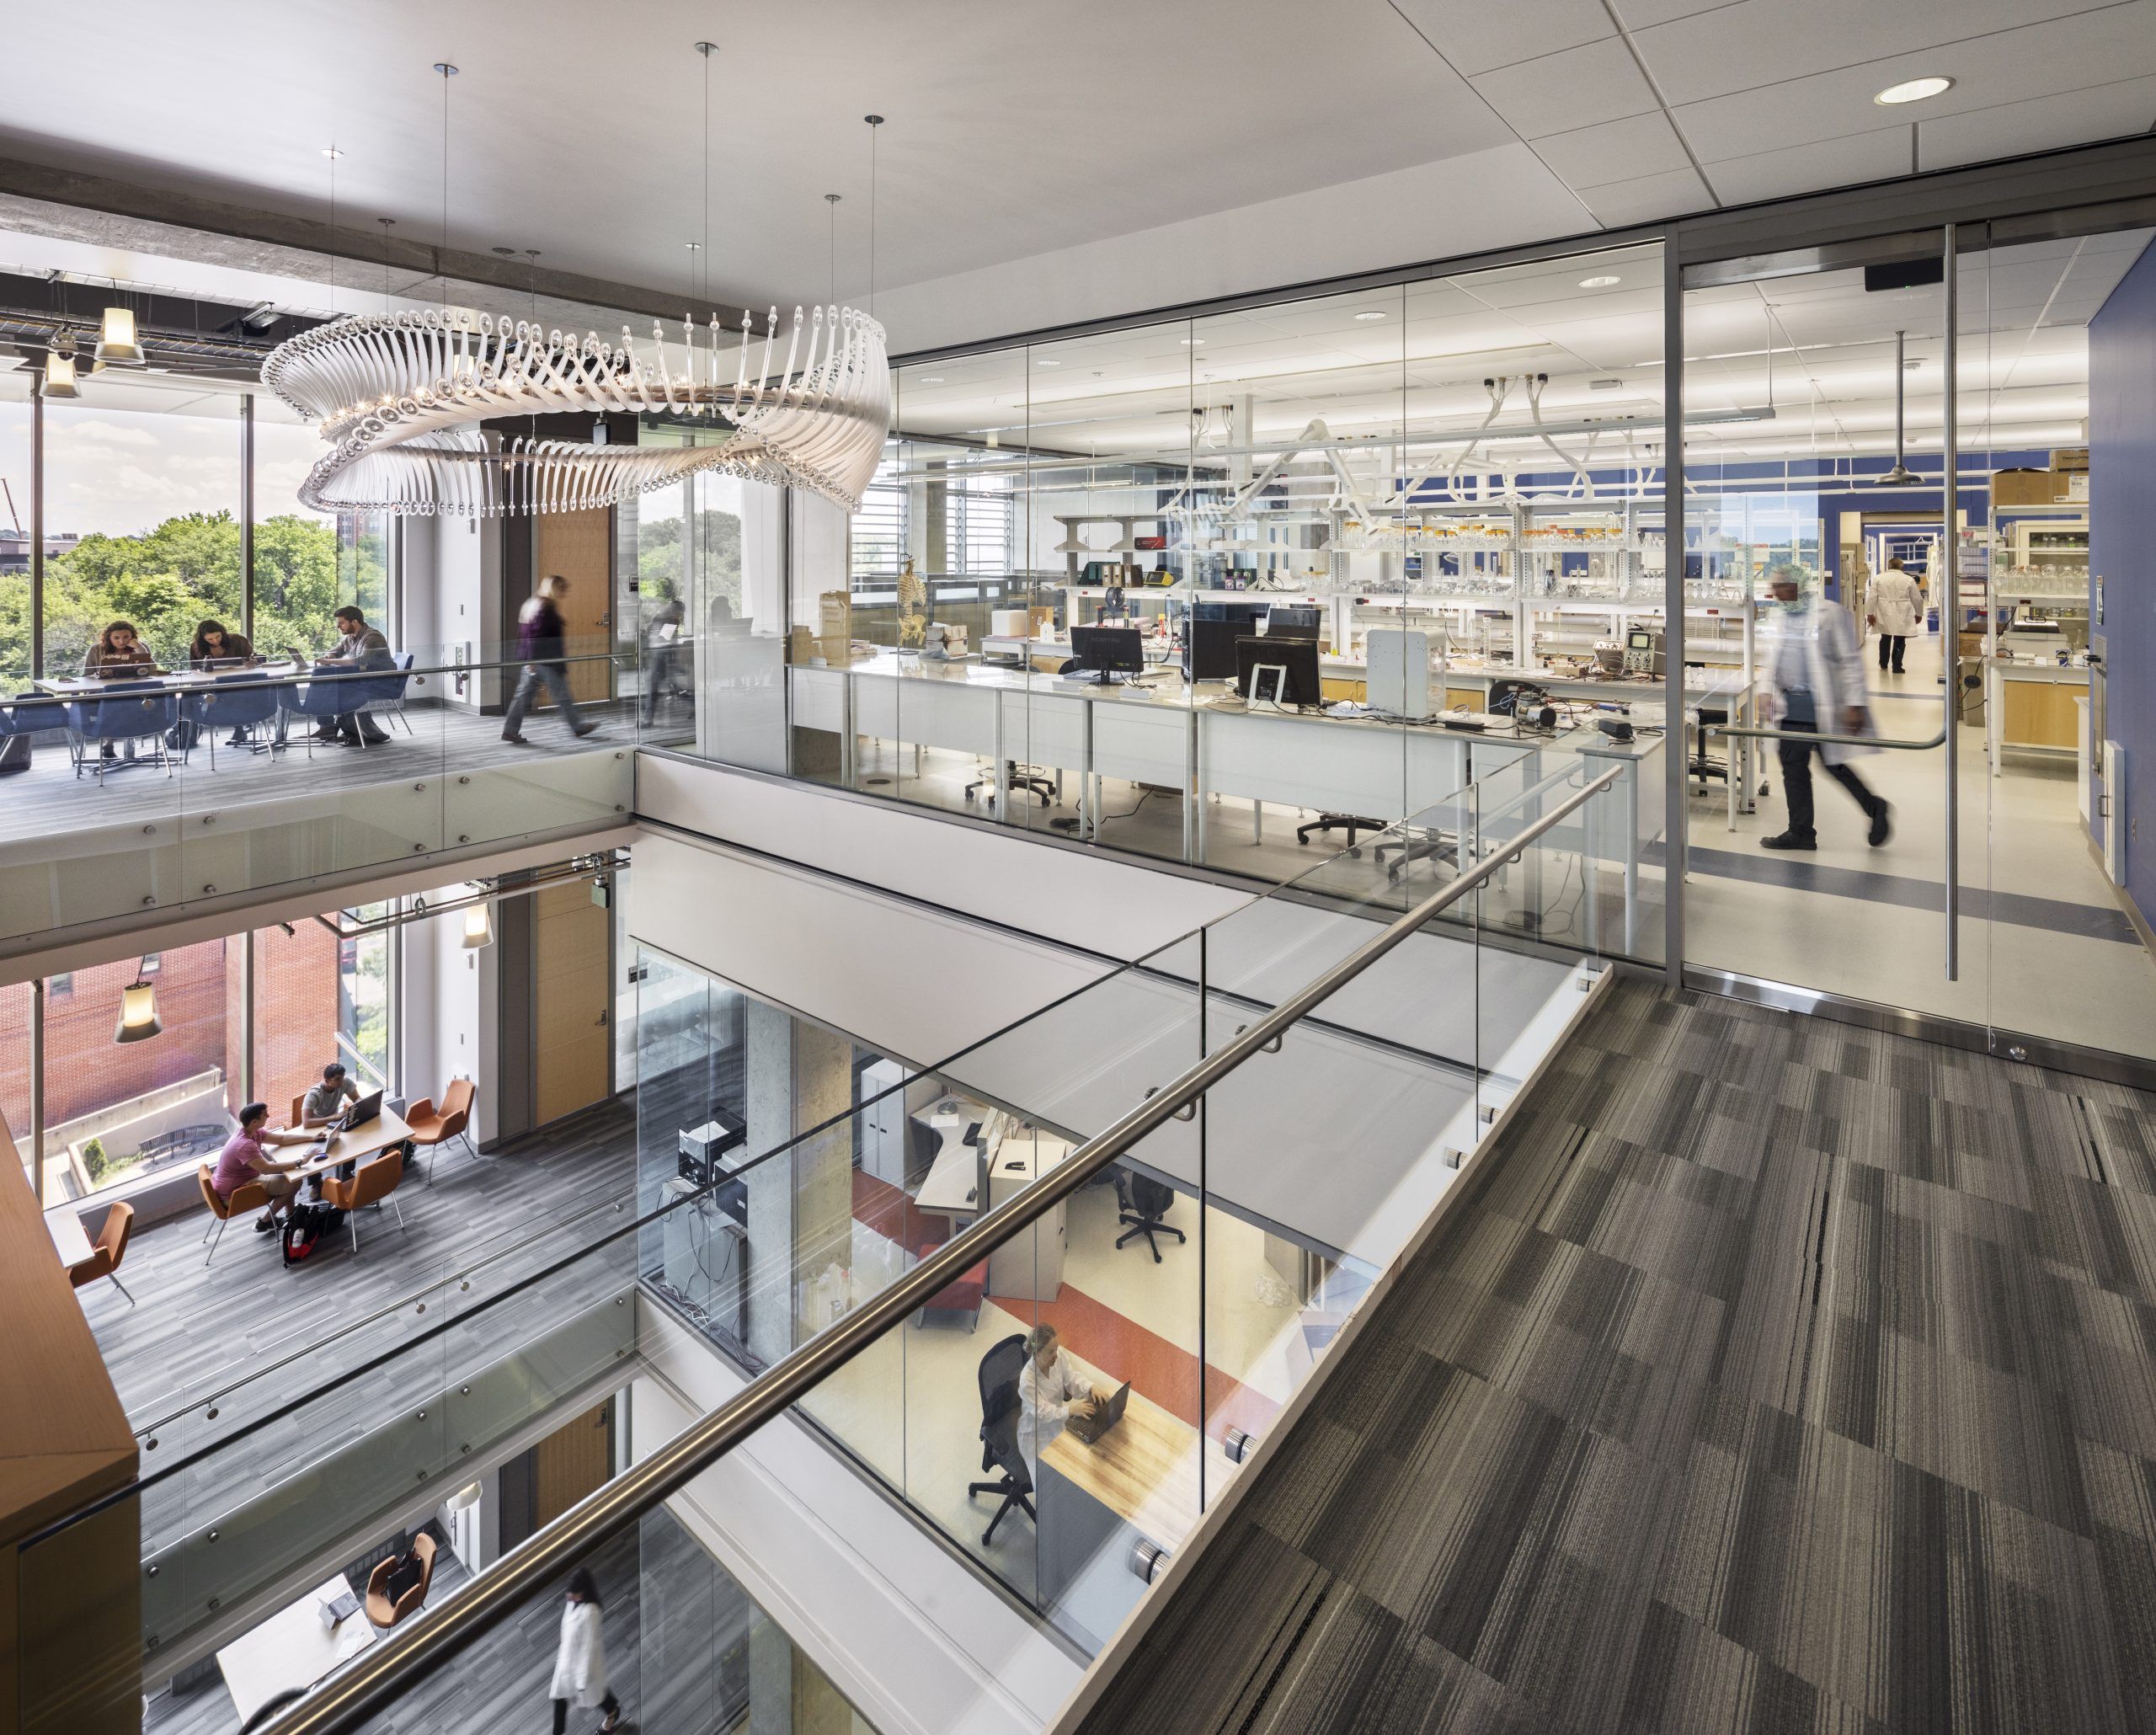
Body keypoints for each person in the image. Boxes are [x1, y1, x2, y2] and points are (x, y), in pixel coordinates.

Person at [1761, 565, 1890, 851]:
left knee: (1833, 764)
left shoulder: (1830, 613)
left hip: (1823, 704)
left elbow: (1849, 661)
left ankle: (1875, 807)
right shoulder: (1780, 616)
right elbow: (1773, 657)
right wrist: (1764, 691)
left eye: (1779, 587)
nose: (1775, 593)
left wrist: (1855, 704)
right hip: (1789, 704)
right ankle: (1801, 832)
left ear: (1796, 587)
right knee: (1793, 769)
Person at [503, 575, 600, 745]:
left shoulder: (532, 604)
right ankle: (577, 727)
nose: (565, 592)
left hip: (532, 660)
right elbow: (535, 635)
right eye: (562, 588)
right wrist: (532, 660)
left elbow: (525, 634)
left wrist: (528, 660)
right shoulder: (545, 607)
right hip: (545, 661)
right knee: (562, 696)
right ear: (554, 588)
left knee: (522, 697)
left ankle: (510, 731)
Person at [211, 1102, 318, 1234]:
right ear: (255, 1121)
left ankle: (291, 1215)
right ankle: (265, 1222)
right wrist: (300, 1162)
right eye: (264, 1114)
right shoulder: (245, 1145)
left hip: (240, 1179)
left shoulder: (252, 1131)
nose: (268, 1115)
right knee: (295, 1182)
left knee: (290, 1175)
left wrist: (312, 1138)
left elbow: (282, 1139)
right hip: (234, 1193)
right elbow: (266, 1169)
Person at [548, 1567, 622, 1735]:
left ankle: (612, 1712)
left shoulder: (591, 1612)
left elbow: (588, 1647)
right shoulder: (572, 1602)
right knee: (559, 1702)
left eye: (575, 1593)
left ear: (584, 1592)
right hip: (566, 1663)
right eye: (571, 1593)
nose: (571, 1596)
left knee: (597, 1696)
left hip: (583, 1668)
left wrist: (581, 1681)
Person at [310, 606, 395, 746]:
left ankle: (332, 727)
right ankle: (328, 727)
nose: (338, 626)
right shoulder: (350, 638)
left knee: (331, 687)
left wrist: (328, 661)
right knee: (325, 682)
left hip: (380, 681)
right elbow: (336, 652)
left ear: (354, 622)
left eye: (341, 622)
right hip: (362, 680)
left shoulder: (373, 637)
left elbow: (360, 661)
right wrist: (330, 655)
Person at [1018, 1323, 1095, 1460]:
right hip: (1036, 1434)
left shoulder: (1058, 1356)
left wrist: (1091, 1388)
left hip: (1057, 1422)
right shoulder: (1027, 1381)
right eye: (1050, 1352)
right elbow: (1042, 1413)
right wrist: (1071, 1411)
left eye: (1056, 1349)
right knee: (1050, 1477)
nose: (1056, 1355)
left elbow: (1071, 1378)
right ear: (1037, 1352)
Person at [190, 620, 262, 746]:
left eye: (218, 636)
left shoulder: (237, 640)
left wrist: (252, 662)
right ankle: (241, 726)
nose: (215, 641)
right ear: (203, 639)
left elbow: (255, 658)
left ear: (223, 632)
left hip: (240, 682)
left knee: (227, 693)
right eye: (210, 639)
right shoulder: (196, 647)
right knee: (219, 693)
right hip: (212, 685)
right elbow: (194, 668)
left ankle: (240, 727)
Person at [1866, 557, 1925, 676]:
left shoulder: (1879, 578)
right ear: (1901, 566)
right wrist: (1919, 614)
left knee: (1885, 638)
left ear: (1889, 566)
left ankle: (1883, 663)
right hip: (1902, 612)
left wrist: (1870, 614)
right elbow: (1917, 599)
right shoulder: (1908, 579)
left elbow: (1872, 598)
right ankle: (1897, 666)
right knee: (1899, 639)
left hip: (1884, 611)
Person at [638, 593, 686, 726]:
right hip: (660, 653)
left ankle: (648, 719)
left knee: (654, 685)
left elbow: (662, 638)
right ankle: (648, 716)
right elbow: (651, 633)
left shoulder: (669, 619)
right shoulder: (662, 617)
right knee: (669, 686)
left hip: (663, 654)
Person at [300, 1061, 361, 1128]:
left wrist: (360, 1104)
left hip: (334, 1123)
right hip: (316, 1126)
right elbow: (306, 1123)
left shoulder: (345, 1082)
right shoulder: (314, 1094)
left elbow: (357, 1099)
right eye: (337, 1079)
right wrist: (334, 1117)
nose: (342, 1081)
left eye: (343, 1077)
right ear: (327, 1081)